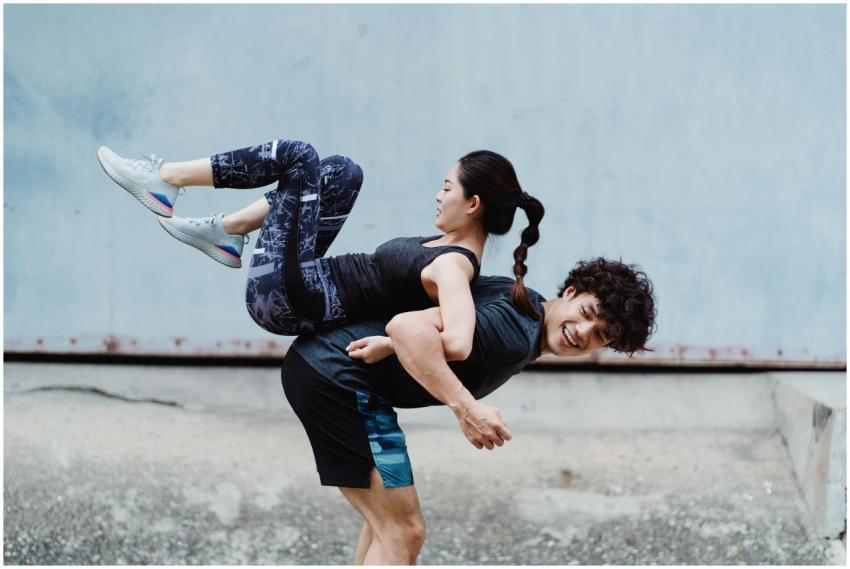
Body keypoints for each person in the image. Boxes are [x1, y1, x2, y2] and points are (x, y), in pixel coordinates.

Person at [282, 257, 657, 564]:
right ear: (570, 292)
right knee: (404, 532)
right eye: (586, 312)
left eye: (600, 334)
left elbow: (427, 327)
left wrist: (392, 346)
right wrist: (467, 408)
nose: (584, 331)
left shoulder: (524, 303)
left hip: (338, 376)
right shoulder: (515, 329)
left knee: (387, 525)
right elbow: (408, 327)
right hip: (336, 379)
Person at [96, 140, 544, 360]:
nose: (438, 196)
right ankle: (229, 231)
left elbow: (459, 344)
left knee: (299, 156)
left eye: (446, 188)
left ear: (473, 204)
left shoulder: (454, 267)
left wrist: (391, 345)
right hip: (301, 284)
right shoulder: (449, 248)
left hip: (292, 299)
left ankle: (165, 179)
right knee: (344, 172)